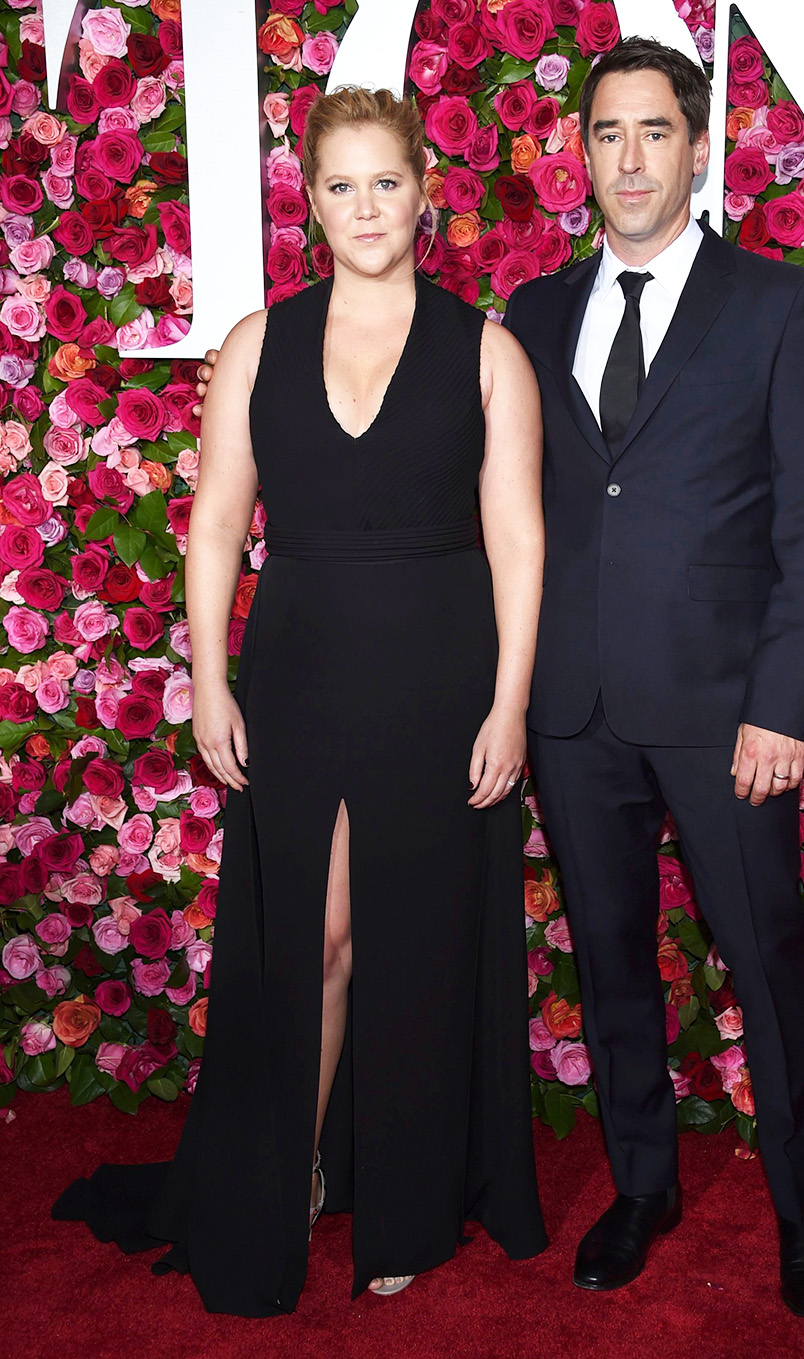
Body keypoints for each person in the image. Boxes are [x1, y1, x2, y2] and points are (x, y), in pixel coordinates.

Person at [53, 86, 547, 1314]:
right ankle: (299, 1171)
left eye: (387, 182)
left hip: (441, 677)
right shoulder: (257, 343)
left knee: (414, 951)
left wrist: (510, 703)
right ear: (309, 201)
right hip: (300, 670)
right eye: (341, 185)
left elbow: (521, 541)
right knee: (318, 942)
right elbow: (216, 523)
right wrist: (209, 678)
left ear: (425, 194)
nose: (365, 206)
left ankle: (404, 1198)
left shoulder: (486, 348)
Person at [501, 39, 804, 1318]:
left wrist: (781, 706)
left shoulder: (771, 304)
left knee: (763, 963)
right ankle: (640, 1183)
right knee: (610, 967)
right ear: (581, 155)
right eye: (607, 133)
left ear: (698, 149)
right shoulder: (532, 315)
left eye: (655, 131)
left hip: (725, 715)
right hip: (574, 711)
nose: (631, 156)